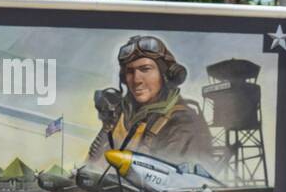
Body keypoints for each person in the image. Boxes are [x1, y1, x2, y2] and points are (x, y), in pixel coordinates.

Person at [87, 35, 212, 166]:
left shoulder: (183, 123)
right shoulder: (120, 114)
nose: (136, 80)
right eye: (130, 71)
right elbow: (91, 166)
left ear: (165, 75)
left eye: (145, 69)